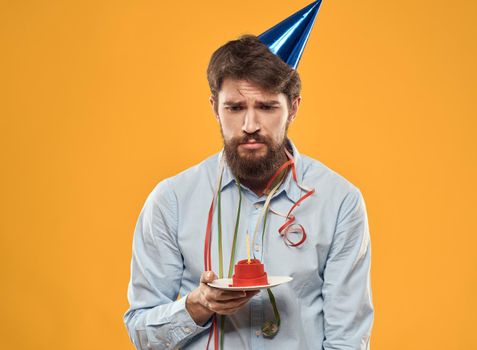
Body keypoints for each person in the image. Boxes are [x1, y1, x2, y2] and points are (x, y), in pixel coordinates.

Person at [124, 31, 373, 350]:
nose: (250, 124)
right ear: (215, 108)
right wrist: (199, 305)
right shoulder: (172, 200)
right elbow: (141, 334)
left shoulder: (339, 202)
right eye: (235, 107)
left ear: (293, 108)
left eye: (267, 107)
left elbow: (347, 342)